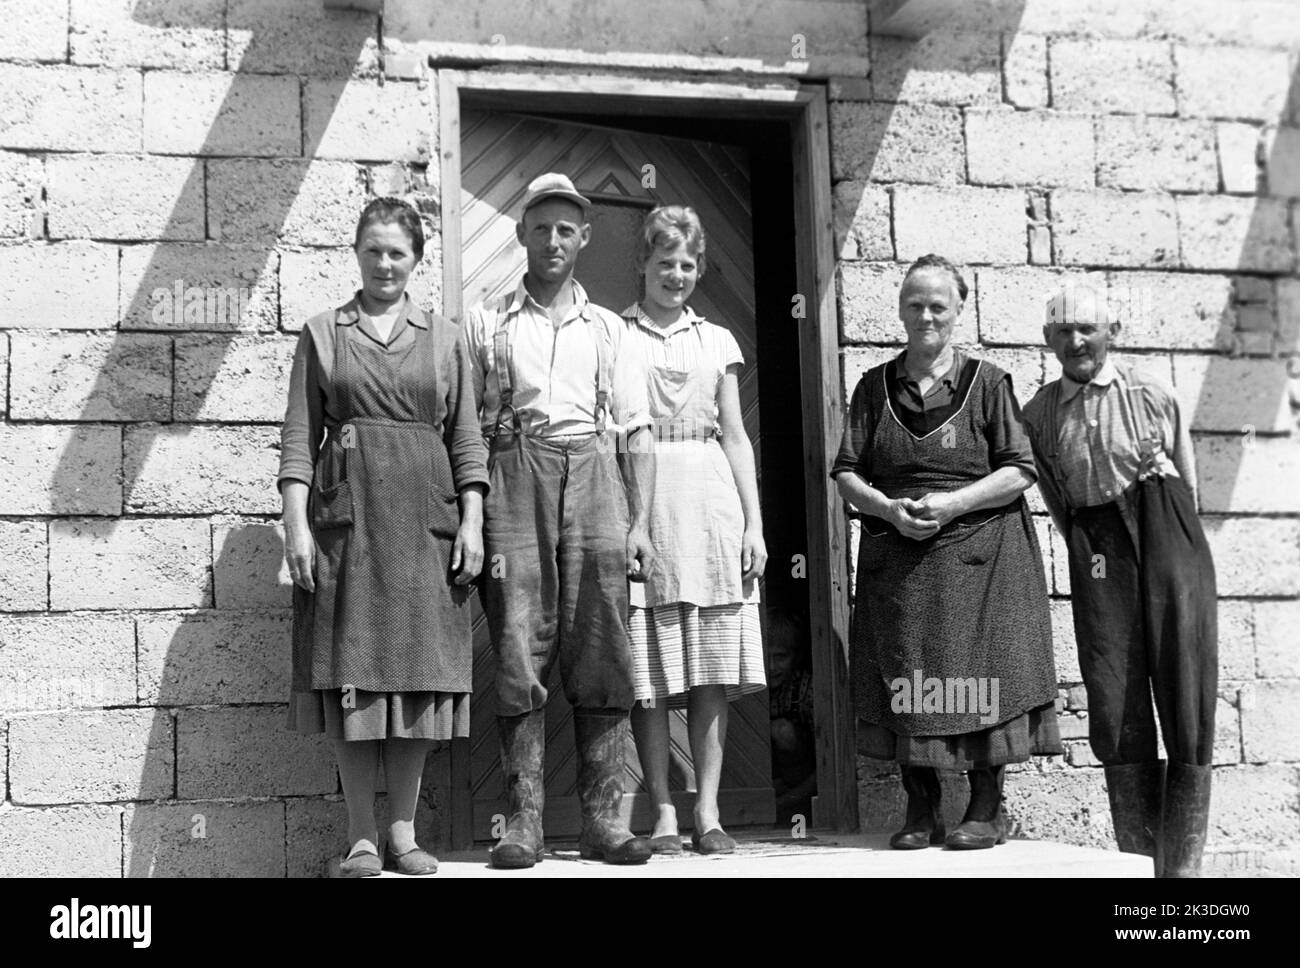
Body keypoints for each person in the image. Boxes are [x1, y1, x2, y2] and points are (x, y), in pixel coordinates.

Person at [279, 196, 488, 877]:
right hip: (350, 526)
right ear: (357, 253)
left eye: (398, 251)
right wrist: (296, 531)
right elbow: (297, 443)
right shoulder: (322, 333)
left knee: (418, 678)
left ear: (417, 260)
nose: (385, 263)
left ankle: (404, 834)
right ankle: (362, 838)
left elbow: (467, 439)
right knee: (353, 676)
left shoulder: (445, 336)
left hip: (427, 525)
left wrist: (475, 522)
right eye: (374, 249)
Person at [831, 253, 1061, 851]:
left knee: (984, 673)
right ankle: (921, 806)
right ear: (901, 311)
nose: (926, 315)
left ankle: (987, 807)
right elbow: (848, 472)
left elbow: (1020, 470)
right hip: (900, 560)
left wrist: (953, 504)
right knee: (908, 671)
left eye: (938, 305)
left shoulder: (988, 384)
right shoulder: (873, 386)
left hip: (982, 559)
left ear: (959, 311)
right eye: (915, 305)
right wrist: (886, 509)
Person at [463, 173, 656, 868]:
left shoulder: (609, 329)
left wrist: (638, 525)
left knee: (602, 640)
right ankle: (524, 825)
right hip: (516, 473)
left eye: (565, 229)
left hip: (597, 477)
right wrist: (474, 510)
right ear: (520, 234)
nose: (552, 240)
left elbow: (637, 433)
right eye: (540, 227)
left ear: (584, 238)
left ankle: (605, 821)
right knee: (517, 637)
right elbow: (468, 428)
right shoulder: (488, 322)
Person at [1022, 285, 1218, 878]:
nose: (1076, 342)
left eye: (1088, 329)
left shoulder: (1153, 392)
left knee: (1184, 679)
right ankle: (1140, 866)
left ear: (1112, 333)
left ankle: (1181, 874)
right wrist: (1090, 550)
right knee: (1114, 692)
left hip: (1167, 532)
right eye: (1062, 332)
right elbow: (1056, 502)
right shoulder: (1039, 412)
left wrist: (1179, 548)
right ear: (1049, 341)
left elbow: (1187, 481)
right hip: (1097, 545)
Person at [620, 206, 768, 855]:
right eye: (664, 263)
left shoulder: (719, 340)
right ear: (643, 265)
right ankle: (661, 810)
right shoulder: (617, 336)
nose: (675, 275)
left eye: (687, 264)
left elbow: (735, 434)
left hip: (711, 501)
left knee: (710, 666)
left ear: (701, 267)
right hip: (647, 499)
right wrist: (629, 522)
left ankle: (707, 811)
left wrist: (754, 525)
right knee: (648, 670)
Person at [766, 609, 817, 827]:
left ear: (796, 656)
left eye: (780, 657)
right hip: (764, 778)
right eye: (765, 657)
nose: (771, 667)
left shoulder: (807, 690)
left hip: (801, 780)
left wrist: (788, 800)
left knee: (782, 730)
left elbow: (823, 766)